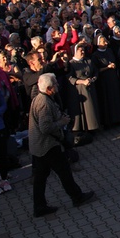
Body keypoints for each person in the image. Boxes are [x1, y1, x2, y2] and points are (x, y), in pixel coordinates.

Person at [29, 73, 95, 217]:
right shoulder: (44, 103)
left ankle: (39, 206)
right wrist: (62, 123)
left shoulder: (40, 99)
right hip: (47, 145)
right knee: (64, 171)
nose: (58, 86)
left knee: (40, 177)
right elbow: (45, 127)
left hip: (38, 146)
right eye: (55, 85)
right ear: (48, 88)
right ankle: (77, 197)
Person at [65, 44, 100, 136]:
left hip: (89, 86)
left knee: (91, 107)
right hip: (79, 88)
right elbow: (70, 77)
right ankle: (81, 128)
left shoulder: (88, 61)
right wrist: (82, 81)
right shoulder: (71, 63)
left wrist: (92, 79)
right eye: (80, 50)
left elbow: (95, 71)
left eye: (83, 50)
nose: (83, 52)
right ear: (75, 52)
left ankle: (92, 127)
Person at [90, 35, 120, 127]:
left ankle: (117, 118)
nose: (106, 43)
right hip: (104, 81)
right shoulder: (95, 55)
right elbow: (96, 70)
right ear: (98, 44)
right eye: (103, 41)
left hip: (113, 78)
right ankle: (108, 122)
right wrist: (107, 67)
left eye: (105, 41)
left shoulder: (109, 51)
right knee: (107, 100)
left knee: (115, 98)